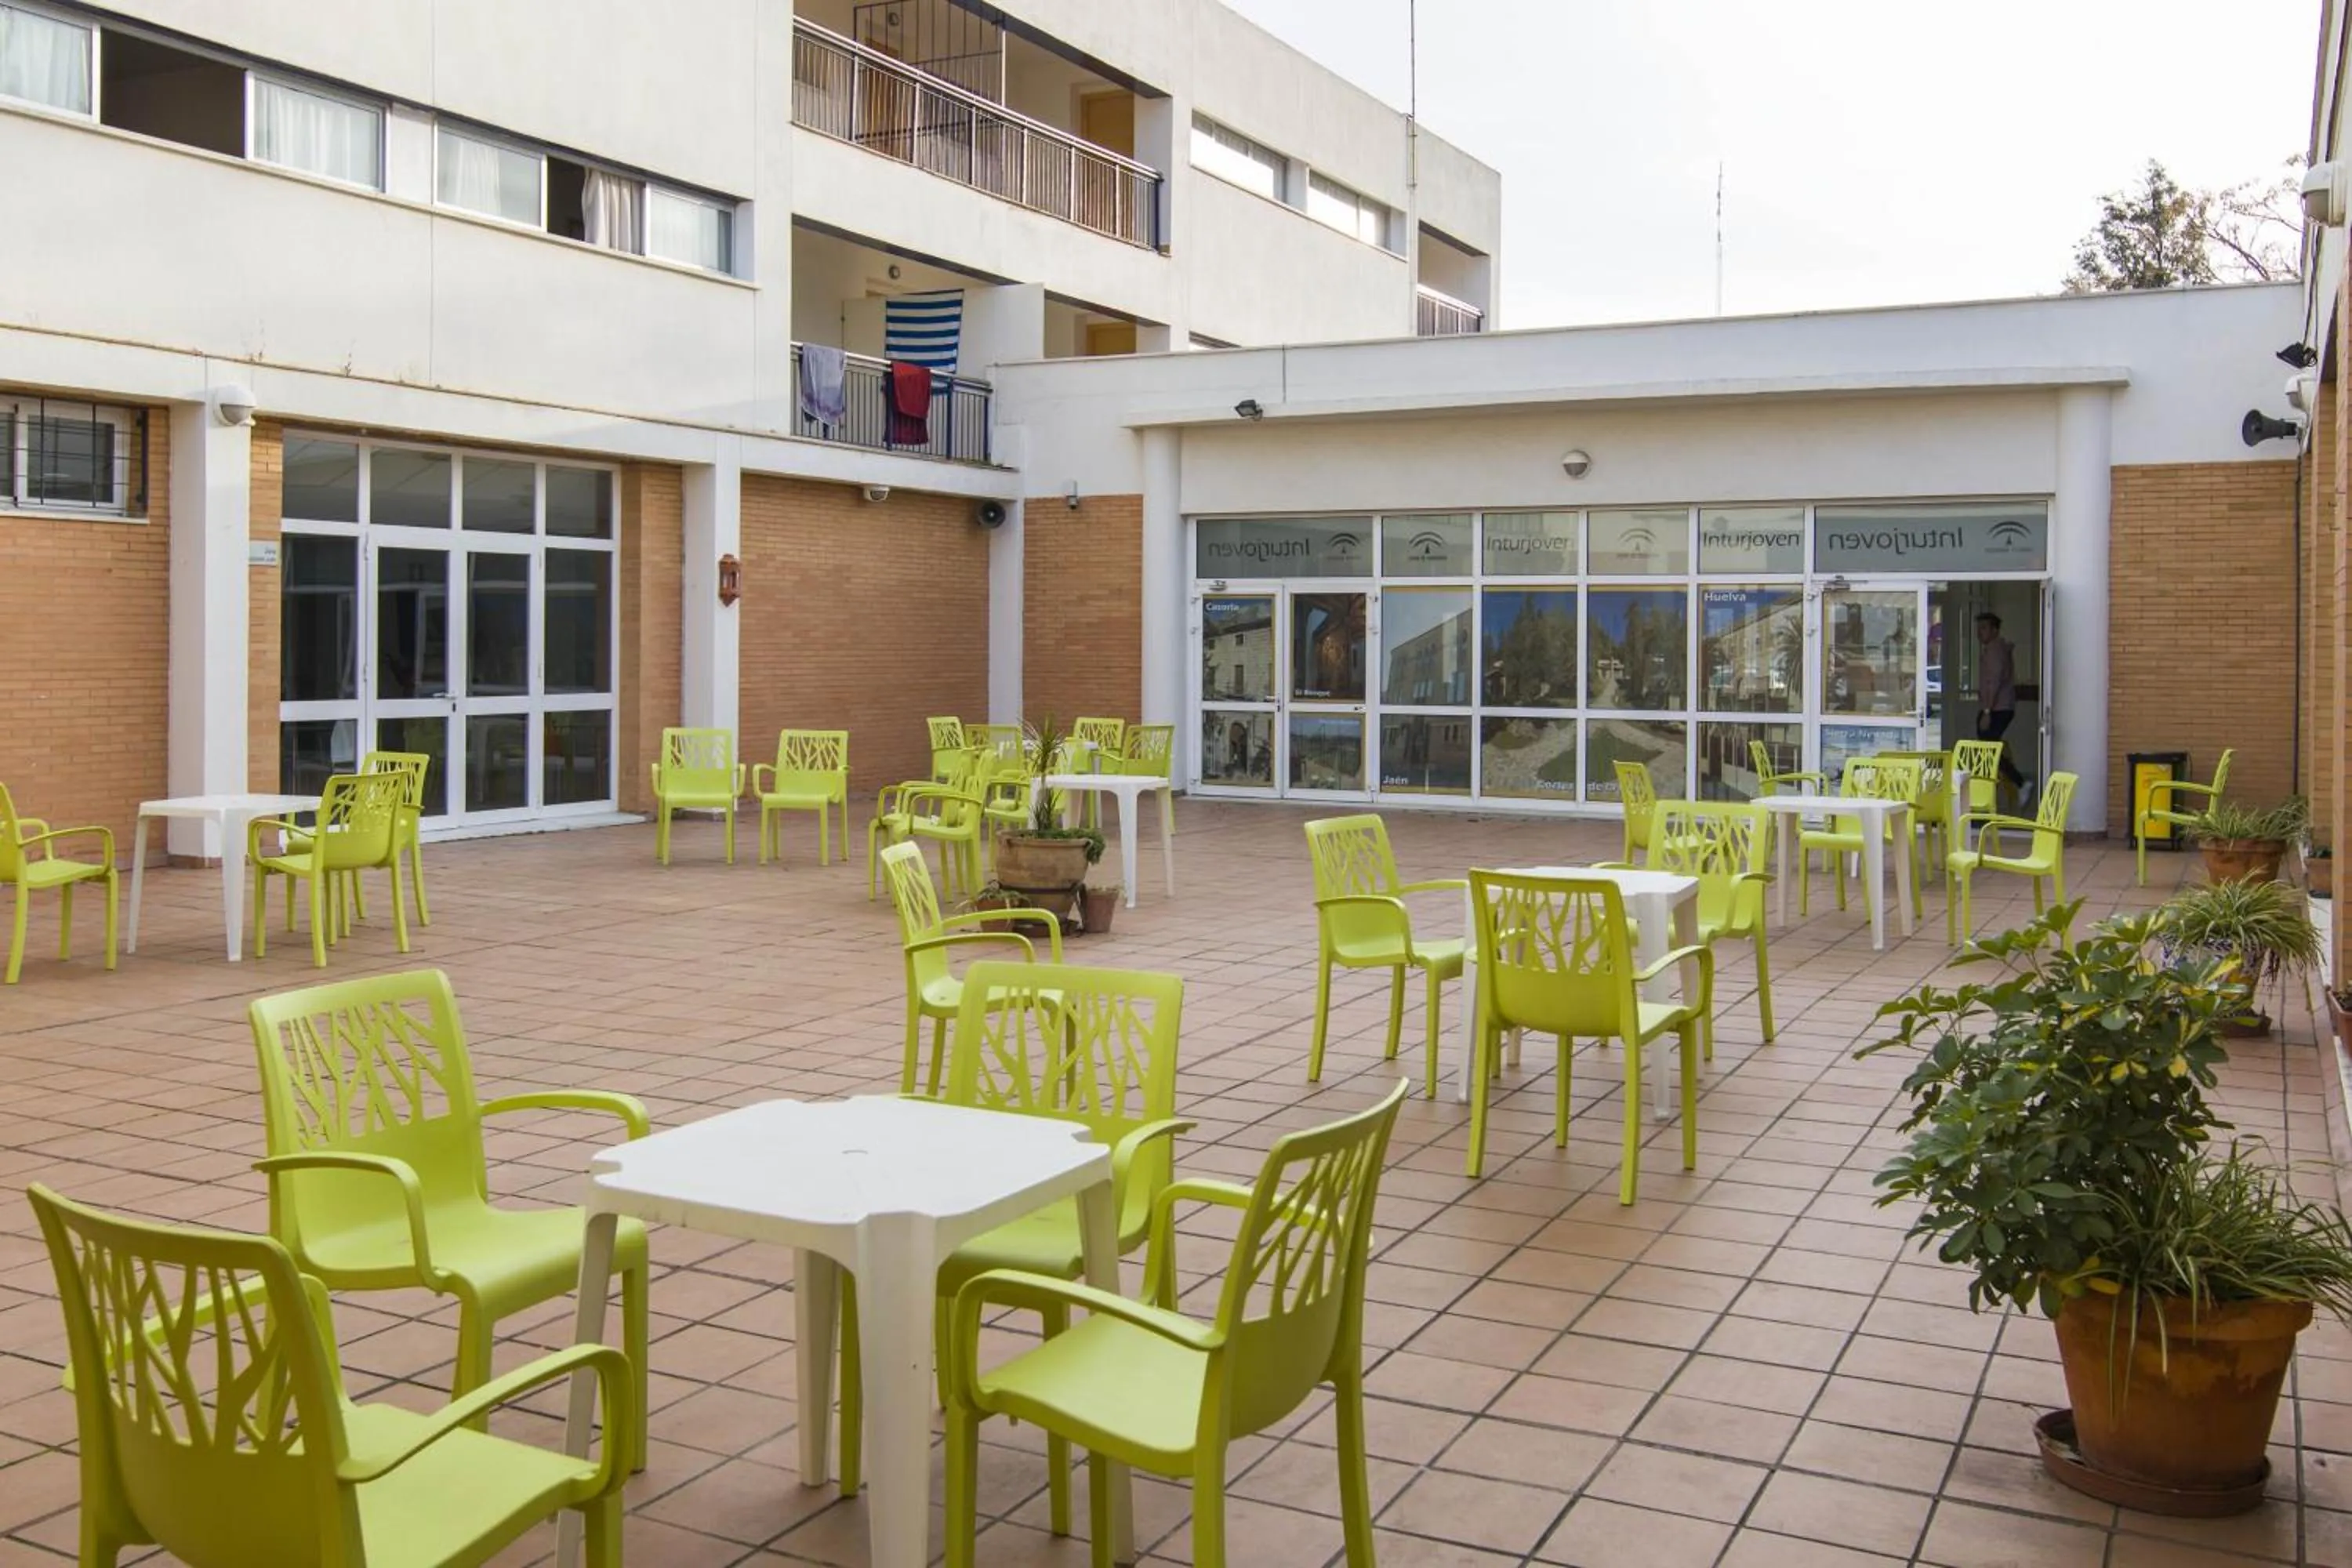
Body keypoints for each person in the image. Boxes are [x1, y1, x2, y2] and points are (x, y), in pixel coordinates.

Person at [1973, 612, 2033, 808]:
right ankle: (1989, 796)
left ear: (1995, 630)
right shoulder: (1993, 650)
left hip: (1997, 709)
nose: (1979, 632)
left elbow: (1994, 682)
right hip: (1997, 707)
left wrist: (1988, 711)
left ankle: (2018, 784)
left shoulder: (1995, 651)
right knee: (1989, 751)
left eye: (1984, 628)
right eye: (1979, 628)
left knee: (1988, 751)